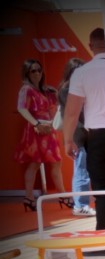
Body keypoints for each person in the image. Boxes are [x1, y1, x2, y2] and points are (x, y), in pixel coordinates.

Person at [63, 28, 105, 238]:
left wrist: (68, 141)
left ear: (90, 45)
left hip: (98, 137)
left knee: (103, 191)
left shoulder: (82, 72)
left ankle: (104, 241)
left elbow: (71, 113)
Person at [14, 58, 65, 212]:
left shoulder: (46, 89)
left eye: (39, 70)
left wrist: (56, 94)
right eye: (33, 71)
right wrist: (36, 124)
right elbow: (21, 108)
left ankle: (62, 195)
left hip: (48, 129)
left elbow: (57, 106)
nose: (37, 73)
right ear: (27, 73)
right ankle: (29, 197)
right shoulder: (26, 89)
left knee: (55, 162)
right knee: (35, 163)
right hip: (36, 130)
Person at [58, 57, 94, 217]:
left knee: (84, 170)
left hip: (82, 134)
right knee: (81, 171)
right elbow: (74, 114)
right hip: (78, 135)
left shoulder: (71, 89)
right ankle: (80, 205)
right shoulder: (67, 91)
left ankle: (82, 204)